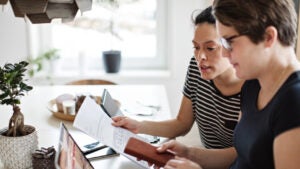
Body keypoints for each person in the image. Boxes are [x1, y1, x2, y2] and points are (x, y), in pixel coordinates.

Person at [158, 0, 300, 169]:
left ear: (268, 37)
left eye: (229, 42)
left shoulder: (294, 101)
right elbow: (241, 157)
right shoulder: (253, 85)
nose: (224, 52)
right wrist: (189, 154)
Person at [112, 6, 244, 150]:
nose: (200, 57)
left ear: (230, 45)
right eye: (196, 47)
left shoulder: (252, 85)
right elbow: (182, 124)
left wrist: (189, 155)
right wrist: (138, 125)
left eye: (210, 48)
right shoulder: (197, 67)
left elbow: (241, 155)